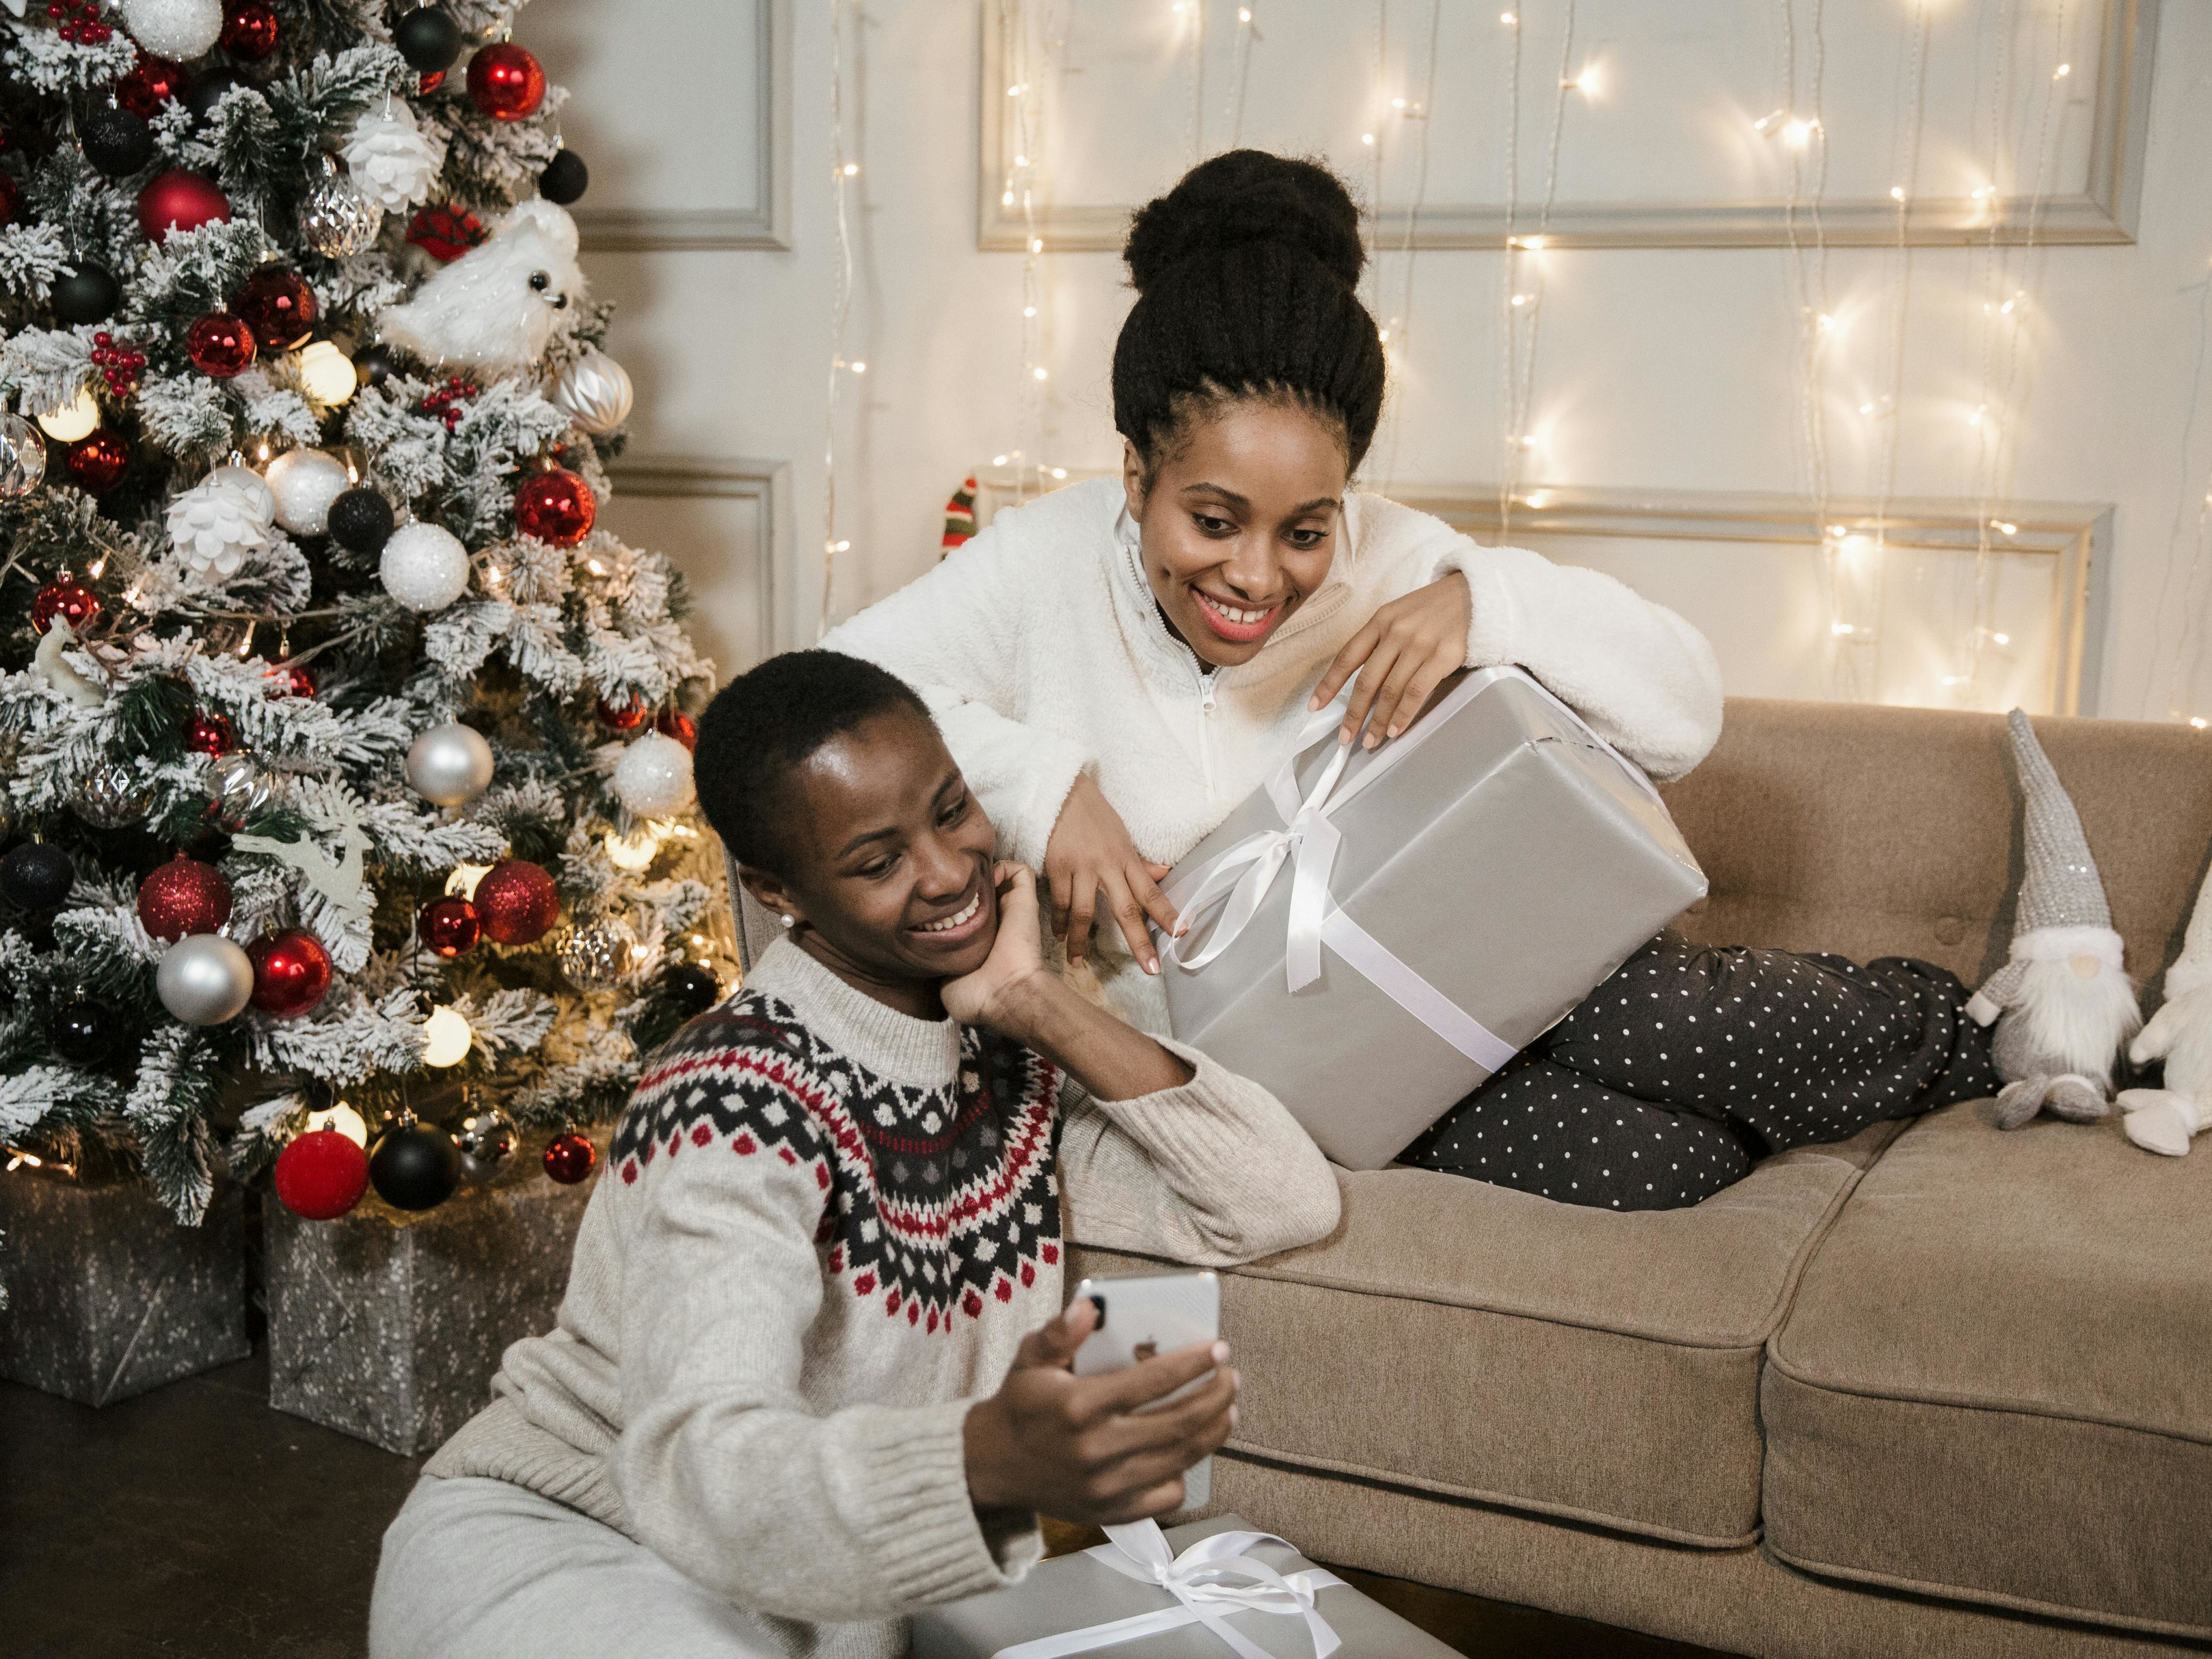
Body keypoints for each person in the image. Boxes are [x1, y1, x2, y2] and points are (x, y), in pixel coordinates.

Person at [826, 149, 1996, 1211]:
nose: (1254, 577)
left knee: (1660, 1017)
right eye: (1213, 520)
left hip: (1463, 956)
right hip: (1278, 1070)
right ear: (1134, 477)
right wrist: (1046, 785)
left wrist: (1484, 605)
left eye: (1302, 531)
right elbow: (820, 690)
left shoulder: (1393, 555)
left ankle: (1978, 1026)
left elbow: (1683, 709)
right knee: (1667, 1169)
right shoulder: (1044, 557)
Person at [369, 650, 1340, 1658]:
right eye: (878, 863)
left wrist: (1036, 1003)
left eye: (952, 809)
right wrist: (985, 1462)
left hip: (790, 1604)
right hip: (575, 1545)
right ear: (775, 889)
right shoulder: (732, 1102)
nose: (949, 872)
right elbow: (703, 1467)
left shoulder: (1008, 1069)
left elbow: (1276, 1200)